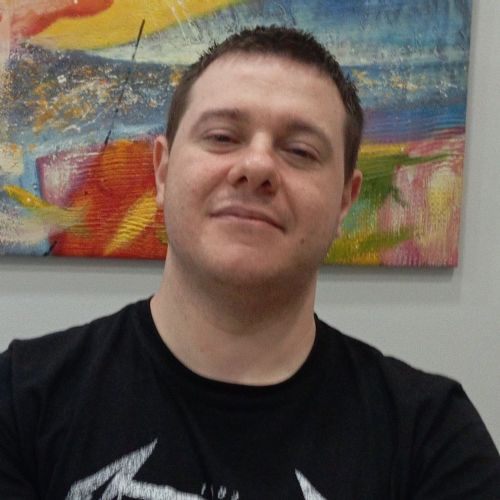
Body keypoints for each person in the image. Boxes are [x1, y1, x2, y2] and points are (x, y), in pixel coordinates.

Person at [0, 26, 499, 500]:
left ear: (345, 202)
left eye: (300, 150)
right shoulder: (20, 401)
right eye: (222, 136)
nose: (257, 166)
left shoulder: (432, 438)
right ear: (163, 171)